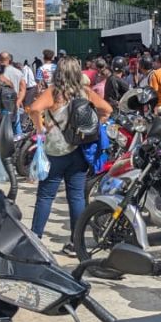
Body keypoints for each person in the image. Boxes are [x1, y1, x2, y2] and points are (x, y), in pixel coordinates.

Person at [29, 57, 112, 255]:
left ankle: (34, 240)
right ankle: (77, 243)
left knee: (46, 196)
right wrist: (93, 126)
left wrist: (40, 128)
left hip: (56, 150)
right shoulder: (84, 92)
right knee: (76, 197)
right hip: (80, 151)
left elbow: (33, 109)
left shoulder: (54, 92)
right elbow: (107, 110)